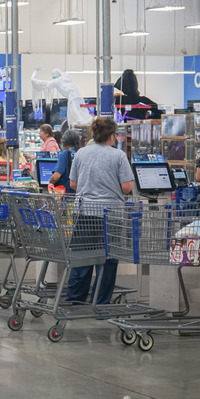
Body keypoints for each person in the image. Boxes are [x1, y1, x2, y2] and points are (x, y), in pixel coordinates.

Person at [66, 117, 134, 304]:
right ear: (112, 136)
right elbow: (127, 187)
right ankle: (100, 303)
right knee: (108, 261)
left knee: (82, 258)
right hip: (110, 215)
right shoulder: (118, 156)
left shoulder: (81, 153)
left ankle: (75, 300)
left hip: (84, 212)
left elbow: (73, 184)